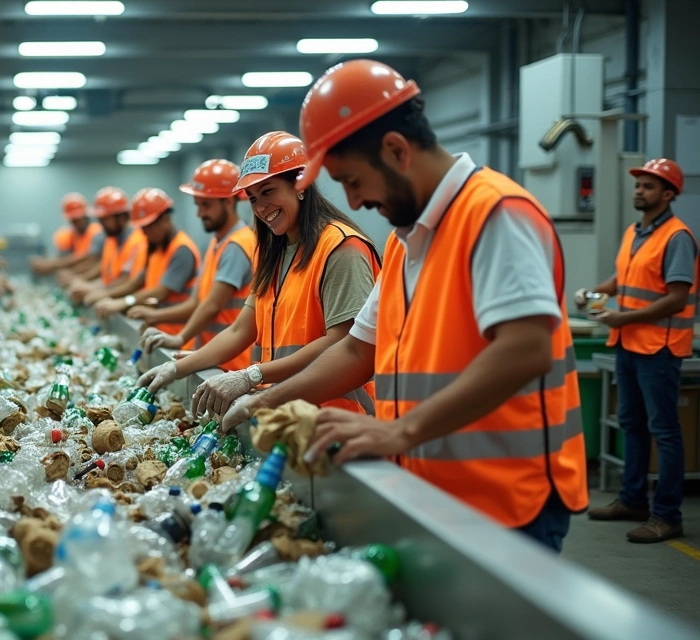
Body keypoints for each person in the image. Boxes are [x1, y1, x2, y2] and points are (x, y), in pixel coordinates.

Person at [220, 59, 588, 552]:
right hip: (429, 486)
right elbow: (356, 352)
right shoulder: (404, 243)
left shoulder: (495, 214)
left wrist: (398, 431)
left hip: (505, 498)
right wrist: (261, 396)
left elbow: (526, 350)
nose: (352, 200)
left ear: (396, 150)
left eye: (352, 180)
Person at [139, 137, 380, 417]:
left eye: (268, 191)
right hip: (284, 414)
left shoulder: (341, 249)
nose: (261, 207)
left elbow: (342, 342)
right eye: (253, 198)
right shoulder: (275, 254)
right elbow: (240, 330)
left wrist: (251, 376)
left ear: (301, 184)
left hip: (338, 417)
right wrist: (178, 366)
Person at [579, 158, 695, 543]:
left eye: (648, 186)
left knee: (664, 432)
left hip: (659, 349)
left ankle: (667, 515)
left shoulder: (677, 237)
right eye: (638, 185)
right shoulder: (635, 231)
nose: (639, 191)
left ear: (668, 194)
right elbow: (622, 278)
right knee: (631, 425)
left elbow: (677, 298)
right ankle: (632, 500)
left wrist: (624, 319)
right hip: (629, 345)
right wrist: (595, 293)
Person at [131, 160, 257, 373]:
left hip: (233, 363)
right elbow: (196, 302)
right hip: (214, 357)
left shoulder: (238, 245)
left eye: (206, 205)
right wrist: (155, 317)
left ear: (228, 201)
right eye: (198, 205)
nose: (199, 213)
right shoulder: (218, 243)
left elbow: (212, 305)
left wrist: (180, 337)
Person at [92, 189, 201, 344]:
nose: (145, 233)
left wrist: (125, 302)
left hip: (178, 338)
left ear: (164, 219)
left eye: (148, 226)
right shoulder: (156, 248)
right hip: (158, 333)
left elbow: (162, 292)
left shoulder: (182, 250)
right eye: (142, 228)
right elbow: (137, 281)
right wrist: (106, 295)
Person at [67, 186, 147, 303]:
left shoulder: (138, 241)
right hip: (113, 298)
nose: (101, 224)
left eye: (104, 219)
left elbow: (127, 279)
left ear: (121, 217)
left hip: (130, 302)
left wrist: (95, 290)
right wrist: (86, 283)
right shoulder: (112, 239)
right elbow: (106, 273)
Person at [32, 193, 104, 275]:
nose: (76, 222)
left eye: (78, 218)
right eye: (73, 220)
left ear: (85, 215)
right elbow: (63, 258)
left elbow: (90, 257)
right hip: (78, 274)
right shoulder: (67, 235)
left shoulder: (97, 231)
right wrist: (48, 262)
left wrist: (52, 265)